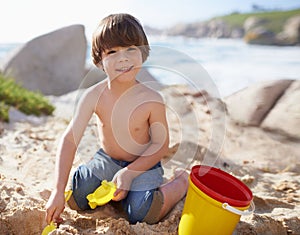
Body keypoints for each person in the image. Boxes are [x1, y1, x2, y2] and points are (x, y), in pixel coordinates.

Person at [45, 13, 188, 225]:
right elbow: (70, 139)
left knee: (142, 214)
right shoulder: (93, 96)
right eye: (112, 52)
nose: (123, 58)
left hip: (144, 164)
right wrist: (57, 191)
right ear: (100, 60)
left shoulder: (152, 99)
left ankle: (182, 181)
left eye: (131, 49)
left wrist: (130, 173)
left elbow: (160, 144)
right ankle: (121, 191)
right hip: (108, 159)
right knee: (76, 198)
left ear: (143, 52)